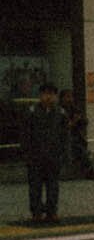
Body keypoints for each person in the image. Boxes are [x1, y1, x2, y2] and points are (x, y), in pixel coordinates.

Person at [22, 82, 66, 223]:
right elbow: (25, 134)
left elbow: (65, 135)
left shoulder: (60, 113)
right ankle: (36, 213)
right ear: (40, 95)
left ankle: (52, 212)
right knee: (35, 186)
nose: (48, 97)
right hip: (35, 156)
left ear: (55, 96)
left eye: (51, 94)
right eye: (46, 94)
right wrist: (26, 154)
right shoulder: (32, 112)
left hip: (54, 156)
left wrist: (65, 154)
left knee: (53, 186)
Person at [57, 87, 94, 178]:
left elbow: (84, 121)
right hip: (62, 138)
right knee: (77, 148)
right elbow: (63, 127)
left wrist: (79, 121)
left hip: (75, 137)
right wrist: (73, 122)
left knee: (79, 146)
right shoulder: (58, 110)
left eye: (71, 97)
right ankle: (88, 170)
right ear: (62, 98)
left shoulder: (74, 109)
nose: (70, 99)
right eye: (67, 97)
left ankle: (88, 169)